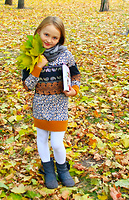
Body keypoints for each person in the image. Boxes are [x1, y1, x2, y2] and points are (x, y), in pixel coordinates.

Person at [22, 16, 81, 189]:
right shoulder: (31, 55)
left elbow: (75, 75)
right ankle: (48, 170)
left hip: (59, 105)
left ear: (60, 39)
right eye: (46, 35)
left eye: (54, 37)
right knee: (41, 138)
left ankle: (63, 170)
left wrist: (74, 90)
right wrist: (38, 67)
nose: (49, 40)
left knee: (56, 142)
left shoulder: (66, 55)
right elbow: (27, 86)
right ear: (38, 32)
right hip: (40, 103)